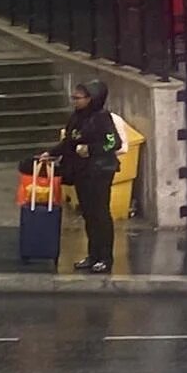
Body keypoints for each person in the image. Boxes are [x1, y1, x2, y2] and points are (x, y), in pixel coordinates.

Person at [42, 81, 122, 274]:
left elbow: (114, 142)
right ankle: (93, 255)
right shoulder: (76, 118)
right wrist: (51, 153)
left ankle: (105, 257)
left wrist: (91, 149)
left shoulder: (102, 118)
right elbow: (69, 142)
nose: (75, 101)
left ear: (91, 98)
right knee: (88, 214)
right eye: (74, 98)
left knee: (100, 214)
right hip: (83, 172)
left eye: (78, 98)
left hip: (100, 171)